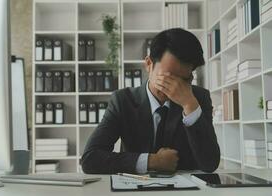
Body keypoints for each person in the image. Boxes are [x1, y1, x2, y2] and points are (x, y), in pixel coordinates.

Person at [81, 28, 220, 174]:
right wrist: (152, 161)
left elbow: (210, 164)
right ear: (148, 64)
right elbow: (90, 159)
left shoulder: (198, 98)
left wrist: (189, 105)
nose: (176, 87)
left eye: (184, 80)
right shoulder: (122, 101)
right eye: (169, 76)